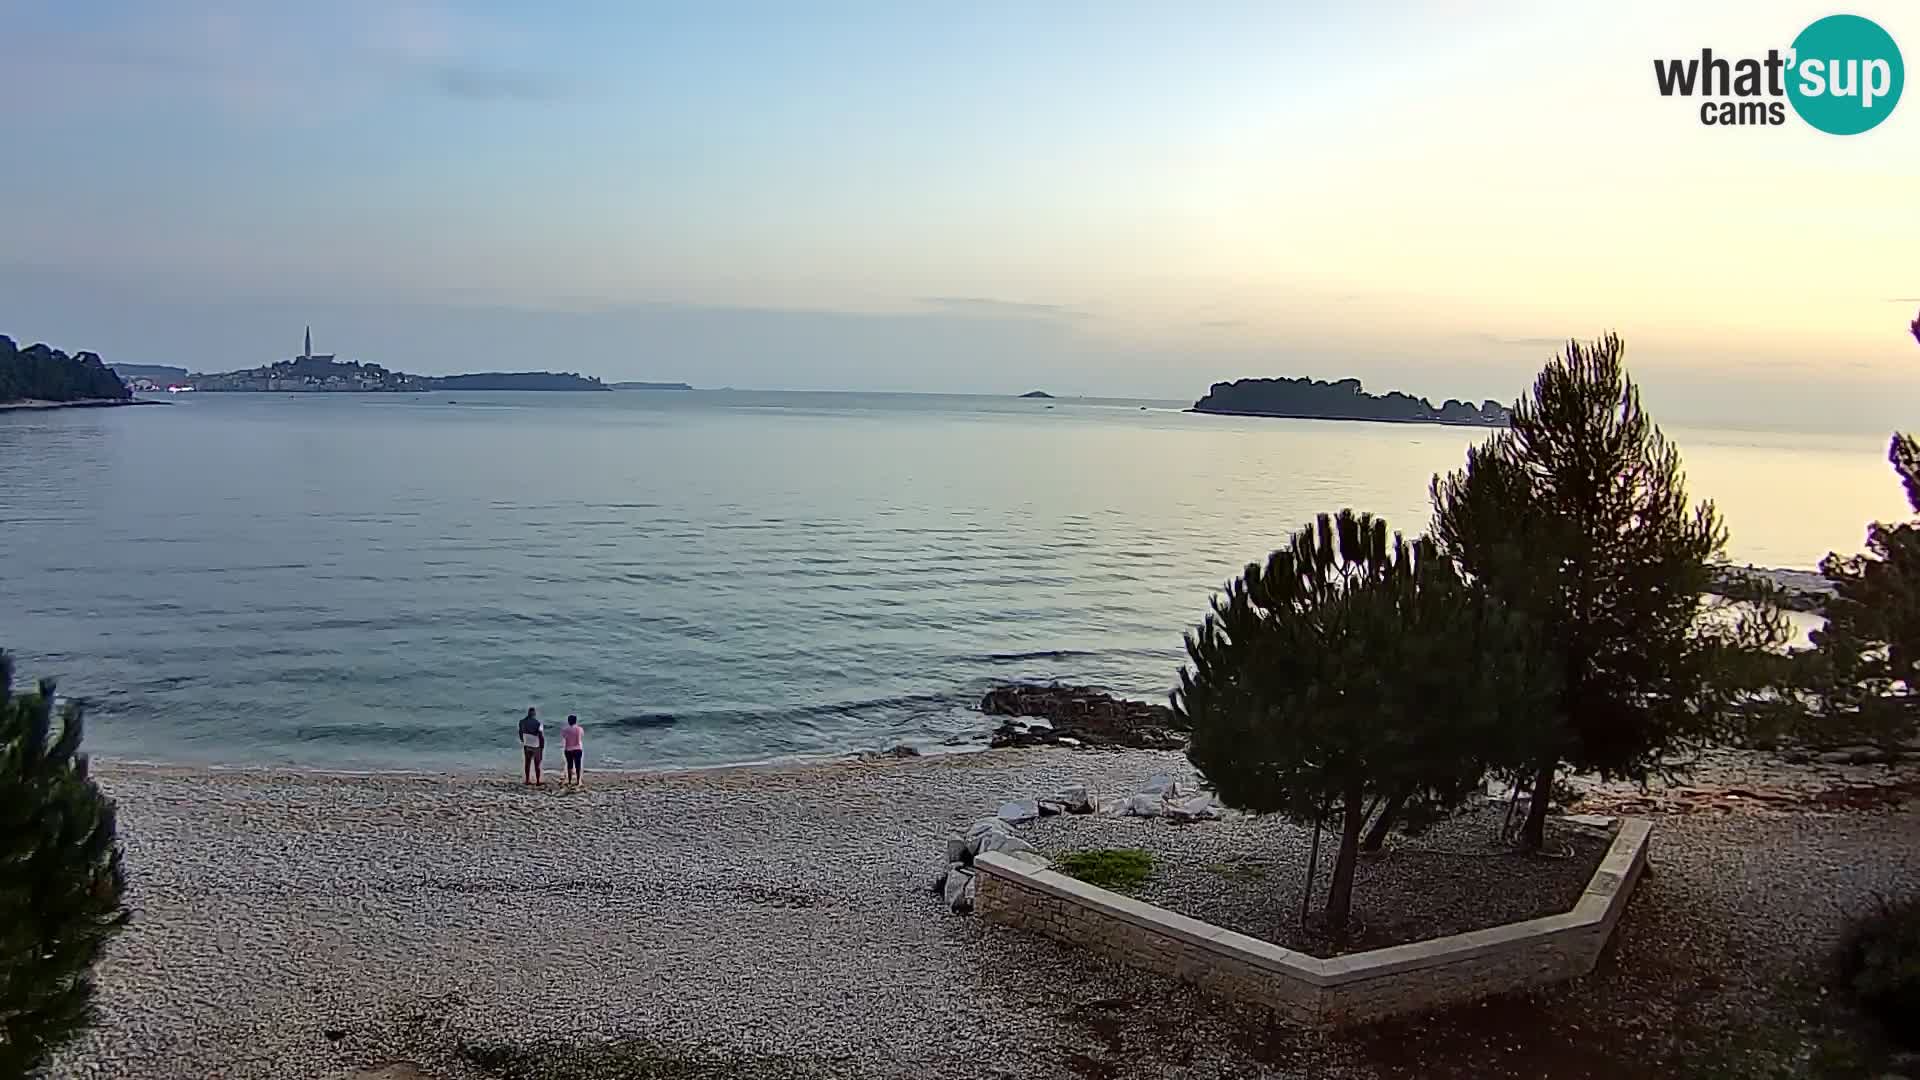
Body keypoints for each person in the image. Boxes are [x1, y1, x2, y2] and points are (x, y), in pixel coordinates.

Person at [518, 707, 544, 786]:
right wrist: (542, 746)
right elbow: (540, 736)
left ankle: (527, 780)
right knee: (537, 764)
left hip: (527, 744)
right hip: (536, 745)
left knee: (527, 762)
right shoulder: (538, 723)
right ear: (534, 714)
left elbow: (520, 732)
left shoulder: (522, 722)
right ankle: (538, 781)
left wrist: (522, 740)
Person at [561, 714, 585, 787]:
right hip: (578, 748)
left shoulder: (565, 729)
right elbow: (582, 736)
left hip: (568, 749)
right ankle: (578, 780)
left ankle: (570, 780)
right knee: (578, 765)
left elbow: (564, 737)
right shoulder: (579, 729)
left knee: (569, 765)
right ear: (575, 721)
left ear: (569, 721)